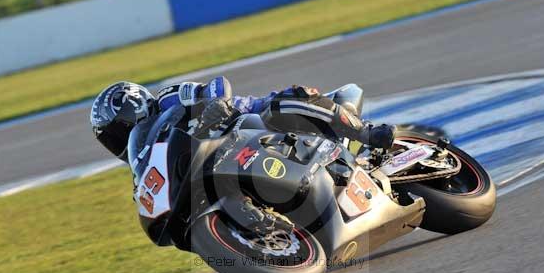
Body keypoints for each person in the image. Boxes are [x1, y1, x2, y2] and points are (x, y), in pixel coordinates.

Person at [90, 77, 396, 162]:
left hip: (252, 119)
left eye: (116, 131)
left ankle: (367, 133)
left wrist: (215, 104)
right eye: (109, 138)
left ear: (132, 107)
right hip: (232, 158)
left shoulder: (167, 98)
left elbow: (216, 86)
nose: (117, 141)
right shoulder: (146, 157)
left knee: (280, 105)